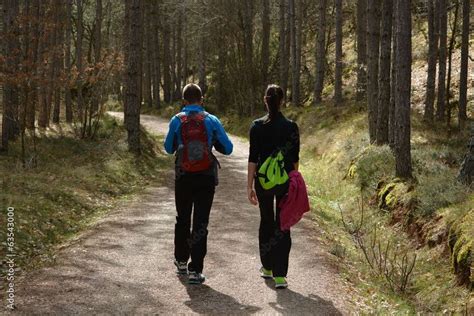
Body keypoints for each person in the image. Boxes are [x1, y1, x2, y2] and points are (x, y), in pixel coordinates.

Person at [164, 83, 233, 284]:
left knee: (182, 218)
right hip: (205, 177)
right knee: (201, 222)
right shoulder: (211, 120)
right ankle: (196, 270)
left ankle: (181, 261)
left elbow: (168, 148)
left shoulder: (177, 120)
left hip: (183, 175)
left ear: (184, 101)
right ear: (202, 100)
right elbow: (228, 148)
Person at [247, 84, 300, 289]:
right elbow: (294, 160)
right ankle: (280, 275)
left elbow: (253, 158)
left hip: (263, 182)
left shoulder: (256, 126)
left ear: (265, 100)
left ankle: (267, 267)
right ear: (282, 101)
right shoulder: (291, 127)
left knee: (266, 221)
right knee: (283, 224)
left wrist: (249, 186)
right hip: (285, 182)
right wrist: (294, 183)